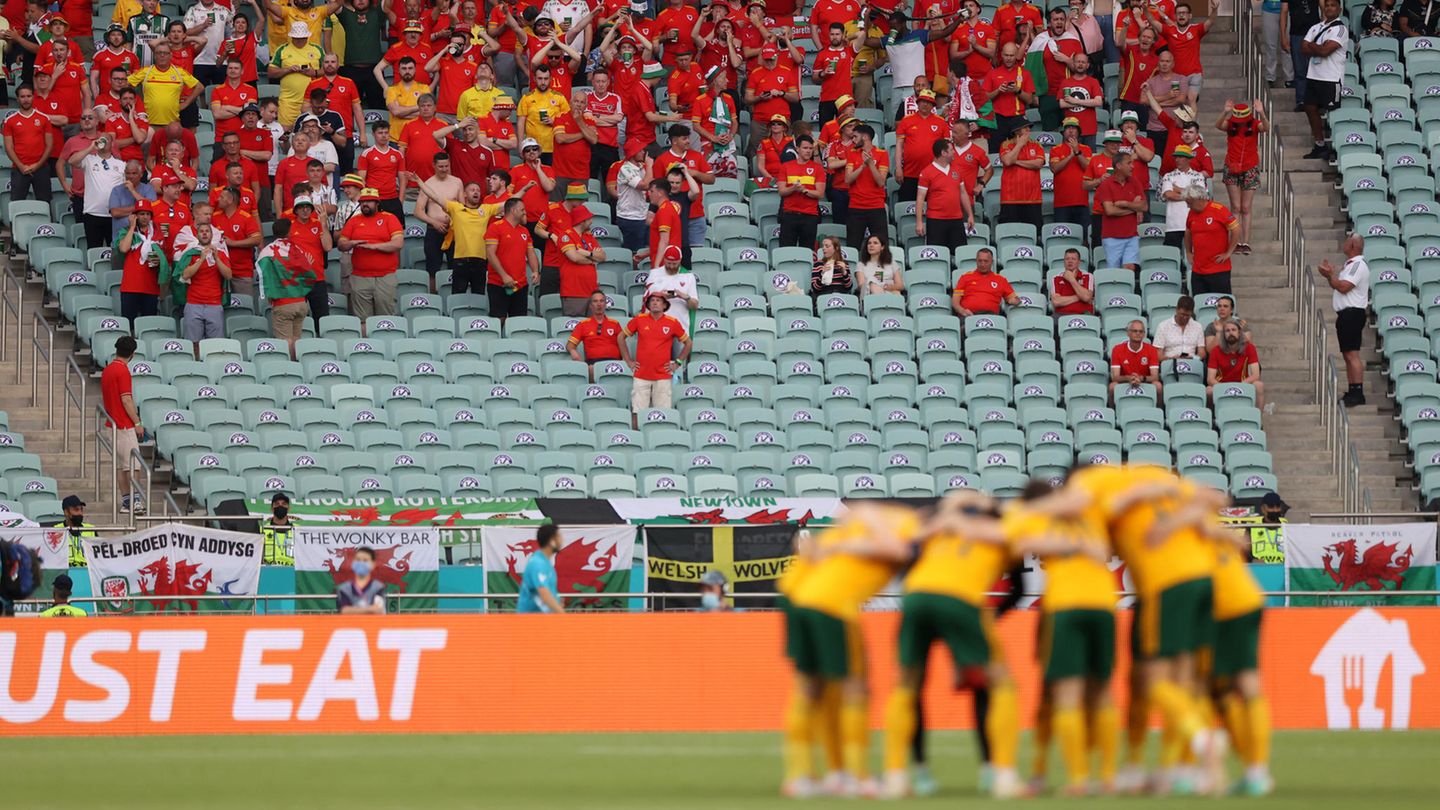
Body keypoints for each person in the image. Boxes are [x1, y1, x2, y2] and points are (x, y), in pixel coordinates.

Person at [1064, 465, 1224, 795]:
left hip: (1165, 585)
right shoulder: (1159, 480)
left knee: (1151, 681)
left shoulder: (1094, 487)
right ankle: (1172, 770)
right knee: (1183, 679)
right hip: (1203, 579)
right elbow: (1217, 497)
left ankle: (1199, 739)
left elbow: (1099, 539)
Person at [877, 493, 1022, 800]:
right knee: (997, 683)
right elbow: (1017, 589)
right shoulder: (1003, 533)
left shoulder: (939, 531)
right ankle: (1001, 774)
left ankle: (897, 775)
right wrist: (988, 619)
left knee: (907, 685)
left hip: (917, 597)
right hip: (961, 599)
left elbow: (908, 563)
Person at [784, 502, 921, 799]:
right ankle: (857, 776)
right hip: (833, 605)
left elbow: (812, 547)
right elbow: (899, 551)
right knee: (855, 689)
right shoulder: (902, 525)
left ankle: (805, 776)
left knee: (811, 688)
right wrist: (872, 521)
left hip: (798, 597)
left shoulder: (851, 527)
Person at [1004, 479, 1120, 796]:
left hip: (1064, 605)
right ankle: (1108, 777)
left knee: (1061, 693)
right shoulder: (1090, 512)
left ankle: (1077, 779)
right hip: (1104, 604)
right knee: (1102, 691)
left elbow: (1015, 544)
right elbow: (1104, 547)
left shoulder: (1029, 515)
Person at [1205, 513, 1274, 797]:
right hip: (1247, 599)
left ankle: (1252, 770)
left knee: (1229, 688)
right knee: (1235, 687)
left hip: (1224, 606)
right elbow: (1243, 542)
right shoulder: (1203, 522)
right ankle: (1254, 771)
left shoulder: (1179, 525)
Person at [620, 292, 691, 426]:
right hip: (641, 374)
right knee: (637, 411)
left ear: (664, 305)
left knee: (663, 414)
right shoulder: (639, 319)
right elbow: (620, 337)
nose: (655, 303)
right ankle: (637, 440)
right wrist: (628, 360)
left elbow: (688, 343)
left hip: (663, 375)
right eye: (652, 300)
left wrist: (678, 362)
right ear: (648, 304)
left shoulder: (672, 322)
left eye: (658, 300)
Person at [338, 187, 405, 322]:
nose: (365, 204)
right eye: (363, 202)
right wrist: (352, 243)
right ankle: (365, 344)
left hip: (385, 276)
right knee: (362, 320)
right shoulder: (354, 220)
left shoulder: (389, 218)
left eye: (369, 201)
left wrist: (374, 247)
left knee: (386, 319)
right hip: (360, 276)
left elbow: (398, 243)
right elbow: (341, 244)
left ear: (377, 203)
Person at [1318, 233, 1370, 406]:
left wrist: (1330, 275)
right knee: (1348, 354)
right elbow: (1340, 285)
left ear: (1353, 245)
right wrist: (1330, 276)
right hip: (1347, 314)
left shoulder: (1357, 265)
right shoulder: (1350, 265)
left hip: (1352, 313)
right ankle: (1353, 389)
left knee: (1352, 354)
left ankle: (1358, 391)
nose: (1344, 242)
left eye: (1348, 240)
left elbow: (1343, 287)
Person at [256, 218, 317, 359]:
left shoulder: (267, 251)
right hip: (301, 303)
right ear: (289, 232)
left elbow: (262, 273)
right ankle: (298, 366)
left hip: (283, 303)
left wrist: (269, 294)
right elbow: (309, 272)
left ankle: (290, 369)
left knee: (285, 341)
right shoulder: (297, 249)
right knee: (296, 340)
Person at [1217, 100, 1268, 254]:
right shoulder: (1230, 125)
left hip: (1250, 167)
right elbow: (1218, 125)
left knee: (1246, 207)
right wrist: (1225, 111)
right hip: (1231, 166)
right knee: (1235, 207)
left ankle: (1245, 242)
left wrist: (1262, 113)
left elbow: (1266, 127)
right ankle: (1235, 241)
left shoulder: (1254, 125)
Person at [1299, 0, 1348, 161]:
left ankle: (1336, 147)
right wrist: (1317, 47)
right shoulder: (1316, 27)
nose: (1329, 8)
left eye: (1333, 5)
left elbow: (1325, 51)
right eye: (1327, 5)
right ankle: (1319, 145)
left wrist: (1314, 46)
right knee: (1309, 108)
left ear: (1339, 9)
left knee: (1332, 114)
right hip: (1314, 76)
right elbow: (1303, 48)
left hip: (1331, 78)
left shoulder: (1340, 29)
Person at [102, 335, 145, 515]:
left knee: (122, 465)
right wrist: (137, 422)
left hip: (110, 423)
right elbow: (126, 400)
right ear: (132, 354)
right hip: (123, 424)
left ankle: (126, 501)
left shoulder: (108, 370)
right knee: (133, 465)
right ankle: (134, 501)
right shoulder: (123, 371)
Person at [71, 130, 126, 251]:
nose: (103, 141)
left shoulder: (121, 165)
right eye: (101, 139)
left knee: (115, 250)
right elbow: (72, 161)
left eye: (106, 139)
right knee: (94, 249)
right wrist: (91, 147)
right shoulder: (89, 160)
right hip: (92, 214)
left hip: (114, 215)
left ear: (112, 144)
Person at [484, 197, 539, 319]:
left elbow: (530, 252)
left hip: (520, 284)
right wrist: (504, 276)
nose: (525, 212)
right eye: (522, 209)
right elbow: (490, 254)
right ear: (513, 210)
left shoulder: (524, 231)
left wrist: (535, 270)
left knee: (518, 321)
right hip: (498, 283)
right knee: (499, 319)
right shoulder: (495, 227)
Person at [115, 198, 166, 327]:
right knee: (129, 325)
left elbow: (163, 258)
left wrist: (158, 260)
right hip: (130, 287)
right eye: (141, 214)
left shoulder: (158, 234)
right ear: (135, 216)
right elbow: (124, 248)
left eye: (148, 214)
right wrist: (132, 227)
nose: (145, 217)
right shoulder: (125, 232)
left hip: (150, 287)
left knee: (148, 325)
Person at [916, 139, 973, 250]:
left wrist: (970, 214)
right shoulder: (927, 172)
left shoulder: (956, 170)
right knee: (938, 253)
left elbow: (963, 193)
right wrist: (919, 222)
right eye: (951, 150)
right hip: (936, 220)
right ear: (943, 153)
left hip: (956, 219)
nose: (954, 152)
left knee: (959, 253)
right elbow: (920, 197)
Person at [128, 41, 200, 127]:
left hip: (173, 124)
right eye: (159, 53)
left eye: (165, 53)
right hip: (148, 123)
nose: (162, 55)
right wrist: (135, 104)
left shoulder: (179, 72)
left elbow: (199, 87)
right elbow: (126, 84)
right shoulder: (146, 71)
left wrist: (186, 103)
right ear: (154, 56)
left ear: (170, 56)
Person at [1184, 187, 1240, 296]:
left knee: (1222, 303)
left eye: (1189, 203)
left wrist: (1229, 252)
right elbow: (1188, 231)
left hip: (1218, 268)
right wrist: (1188, 251)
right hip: (1198, 269)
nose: (1188, 206)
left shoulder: (1219, 209)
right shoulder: (1192, 213)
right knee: (1200, 303)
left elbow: (1236, 228)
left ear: (1199, 199)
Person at [3, 84, 55, 201]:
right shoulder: (9, 121)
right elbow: (8, 147)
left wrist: (37, 165)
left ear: (33, 97)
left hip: (41, 168)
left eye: (28, 96)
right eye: (22, 96)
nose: (26, 99)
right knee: (17, 203)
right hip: (19, 169)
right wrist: (21, 166)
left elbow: (49, 145)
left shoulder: (44, 118)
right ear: (17, 99)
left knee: (45, 203)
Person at [1095, 152, 1146, 272]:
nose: (1132, 166)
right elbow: (1110, 210)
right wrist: (1134, 208)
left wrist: (1125, 204)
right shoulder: (1106, 184)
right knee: (1114, 273)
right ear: (1118, 166)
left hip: (1132, 235)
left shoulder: (1135, 182)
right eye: (1129, 163)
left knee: (1129, 268)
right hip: (1112, 237)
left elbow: (1144, 207)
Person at [895, 88, 947, 202]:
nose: (925, 104)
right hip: (910, 173)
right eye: (923, 101)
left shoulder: (941, 122)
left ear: (933, 105)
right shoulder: (906, 120)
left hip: (934, 174)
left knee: (933, 207)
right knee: (908, 205)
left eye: (929, 102)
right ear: (917, 102)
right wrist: (898, 168)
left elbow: (947, 148)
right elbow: (899, 146)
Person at [844, 123, 890, 251]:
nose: (853, 140)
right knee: (852, 247)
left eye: (855, 137)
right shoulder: (852, 153)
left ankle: (879, 272)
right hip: (855, 207)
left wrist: (870, 164)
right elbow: (848, 179)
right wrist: (862, 167)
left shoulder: (882, 154)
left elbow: (881, 182)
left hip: (876, 207)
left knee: (880, 247)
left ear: (865, 137)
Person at [777, 134, 826, 249]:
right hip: (789, 214)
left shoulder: (817, 168)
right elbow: (781, 191)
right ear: (797, 149)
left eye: (810, 148)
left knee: (807, 250)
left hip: (810, 215)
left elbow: (820, 193)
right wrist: (794, 188)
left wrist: (804, 190)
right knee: (786, 250)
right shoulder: (786, 167)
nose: (808, 151)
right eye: (805, 148)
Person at [998, 122, 1045, 231]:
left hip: (1033, 199)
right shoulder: (1006, 144)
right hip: (1010, 199)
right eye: (1025, 127)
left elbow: (1038, 163)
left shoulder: (1036, 144)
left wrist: (1017, 161)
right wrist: (1019, 145)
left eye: (1029, 127)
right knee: (1010, 233)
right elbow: (1008, 161)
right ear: (1016, 131)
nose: (1029, 129)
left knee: (1033, 233)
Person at [1207, 320, 1265, 409]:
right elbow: (1210, 379)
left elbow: (1256, 375)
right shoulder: (1215, 351)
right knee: (1209, 391)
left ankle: (1257, 420)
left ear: (1239, 332)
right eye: (1227, 331)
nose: (1231, 333)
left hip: (1243, 383)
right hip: (1222, 385)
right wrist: (1225, 388)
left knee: (1259, 385)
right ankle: (1213, 420)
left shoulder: (1249, 348)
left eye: (1233, 330)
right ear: (1224, 334)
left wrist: (1240, 386)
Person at [1160, 145, 1207, 250]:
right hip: (1173, 225)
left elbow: (1200, 196)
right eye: (1176, 157)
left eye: (1181, 157)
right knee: (1172, 256)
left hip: (1194, 224)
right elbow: (1169, 194)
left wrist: (1179, 189)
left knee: (1194, 257)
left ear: (1189, 159)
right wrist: (1190, 194)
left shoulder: (1198, 176)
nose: (1177, 160)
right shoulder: (1168, 176)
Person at [1050, 118, 1093, 230]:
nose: (1071, 131)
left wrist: (1077, 152)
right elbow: (1055, 168)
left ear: (1078, 132)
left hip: (1081, 201)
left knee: (1084, 237)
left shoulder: (1086, 149)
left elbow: (1089, 168)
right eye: (1068, 128)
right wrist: (1070, 155)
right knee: (1062, 236)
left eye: (1074, 128)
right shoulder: (1055, 149)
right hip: (1061, 202)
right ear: (1063, 132)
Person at [952, 249, 1020, 317]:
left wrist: (1013, 301)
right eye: (980, 261)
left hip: (991, 317)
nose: (982, 264)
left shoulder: (1001, 280)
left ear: (992, 262)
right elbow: (955, 301)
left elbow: (1014, 298)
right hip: (968, 316)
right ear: (976, 261)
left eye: (986, 261)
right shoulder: (965, 277)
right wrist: (962, 311)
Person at [567, 291, 623, 371]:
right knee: (591, 370)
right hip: (593, 364)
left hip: (614, 363)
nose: (599, 304)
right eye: (595, 301)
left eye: (601, 301)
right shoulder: (583, 325)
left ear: (605, 304)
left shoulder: (615, 324)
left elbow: (623, 346)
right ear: (590, 305)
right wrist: (573, 351)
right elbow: (570, 345)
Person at [517, 524, 565, 613]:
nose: (562, 540)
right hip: (530, 622)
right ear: (552, 541)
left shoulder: (545, 562)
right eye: (559, 536)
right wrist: (562, 614)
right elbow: (543, 593)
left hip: (542, 620)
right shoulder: (537, 563)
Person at [1110, 319, 1162, 400]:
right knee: (1112, 386)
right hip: (1125, 382)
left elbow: (1155, 377)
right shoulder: (1117, 349)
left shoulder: (1151, 350)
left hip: (1144, 382)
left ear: (1144, 334)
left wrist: (1141, 378)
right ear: (1128, 333)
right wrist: (1128, 378)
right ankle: (1113, 411)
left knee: (1158, 386)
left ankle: (1160, 411)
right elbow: (1115, 377)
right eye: (1135, 331)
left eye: (1141, 331)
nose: (1138, 333)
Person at [336, 546, 386, 614]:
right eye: (358, 560)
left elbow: (378, 611)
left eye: (365, 560)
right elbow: (344, 611)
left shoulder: (378, 587)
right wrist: (369, 609)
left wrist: (352, 610)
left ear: (373, 564)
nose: (361, 563)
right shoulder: (344, 589)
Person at [1154, 295, 1206, 359]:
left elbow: (1202, 352)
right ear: (1176, 310)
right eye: (1182, 314)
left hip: (1191, 363)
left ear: (1192, 313)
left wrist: (1193, 358)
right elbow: (1157, 354)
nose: (1184, 318)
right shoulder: (1163, 326)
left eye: (1187, 315)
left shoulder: (1198, 326)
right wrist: (1171, 359)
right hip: (1169, 363)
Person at [1050, 248, 1095, 316]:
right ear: (1064, 262)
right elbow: (1056, 302)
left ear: (1079, 262)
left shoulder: (1088, 276)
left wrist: (1072, 280)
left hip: (1084, 314)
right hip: (1061, 315)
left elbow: (1086, 297)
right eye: (1067, 259)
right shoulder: (1056, 278)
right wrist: (1080, 296)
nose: (1070, 261)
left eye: (1073, 259)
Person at [1263, 0, 1294, 88]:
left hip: (1288, 8)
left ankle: (1289, 78)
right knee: (1270, 45)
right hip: (1269, 10)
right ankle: (1270, 77)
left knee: (1287, 44)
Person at [261, 492, 296, 565]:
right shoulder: (263, 530)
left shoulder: (297, 530)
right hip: (268, 570)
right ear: (272, 509)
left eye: (284, 504)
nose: (280, 506)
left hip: (292, 571)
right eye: (277, 504)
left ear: (288, 508)